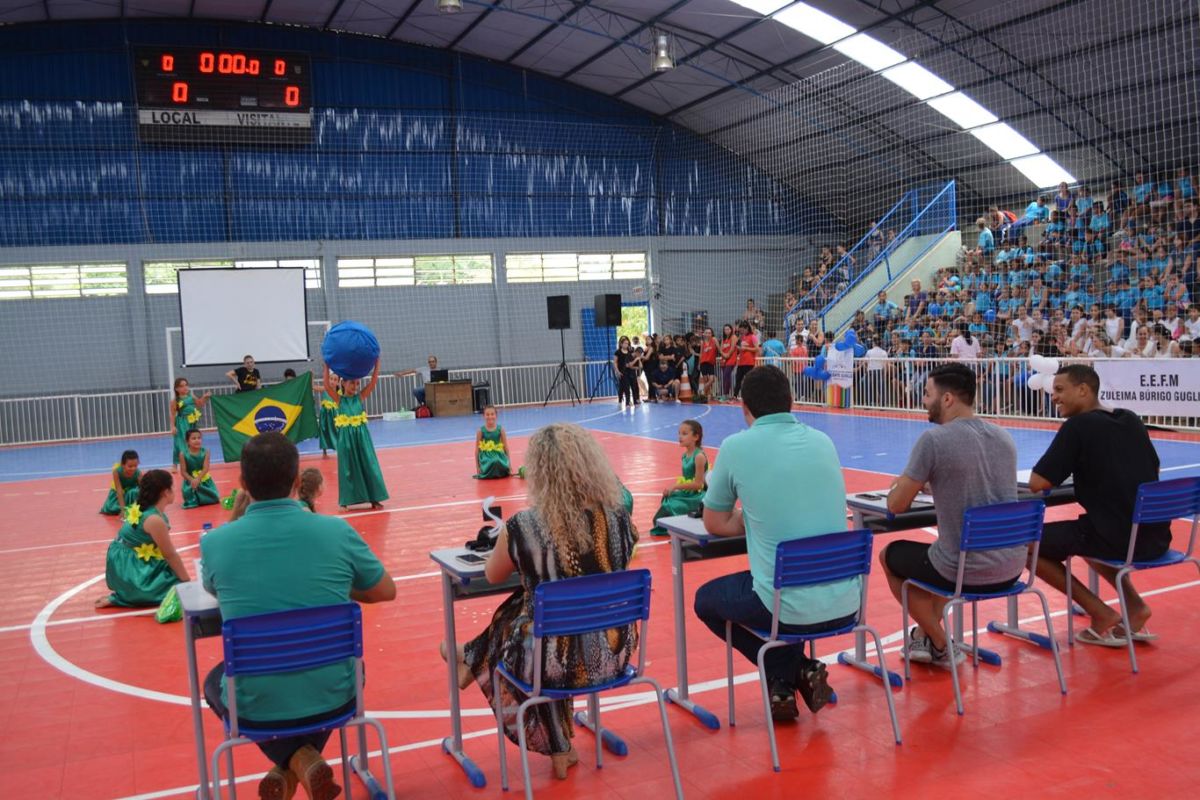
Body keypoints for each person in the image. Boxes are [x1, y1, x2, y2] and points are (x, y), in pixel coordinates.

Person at [201, 433, 396, 800]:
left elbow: (216, 591)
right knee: (338, 670)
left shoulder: (216, 543)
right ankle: (303, 759)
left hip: (256, 706)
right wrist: (337, 586)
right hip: (336, 695)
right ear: (296, 481)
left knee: (216, 679)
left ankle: (290, 763)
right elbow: (385, 590)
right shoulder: (336, 531)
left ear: (242, 484)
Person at [446, 423, 638, 780]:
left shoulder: (525, 525)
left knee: (526, 628)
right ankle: (469, 658)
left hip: (558, 661)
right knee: (533, 611)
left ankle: (472, 658)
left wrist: (508, 540)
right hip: (616, 652)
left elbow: (492, 575)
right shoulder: (620, 520)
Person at [694, 366, 852, 720]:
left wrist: (752, 519)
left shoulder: (737, 446)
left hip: (788, 603)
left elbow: (715, 521)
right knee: (782, 589)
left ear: (744, 408)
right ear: (791, 402)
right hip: (846, 600)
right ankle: (789, 675)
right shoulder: (823, 440)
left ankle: (787, 670)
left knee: (707, 601)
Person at [881, 363, 1023, 669]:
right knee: (940, 555)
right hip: (1012, 566)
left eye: (927, 393)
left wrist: (906, 481)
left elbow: (895, 505)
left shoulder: (934, 440)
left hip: (966, 570)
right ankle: (923, 634)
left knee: (890, 556)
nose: (923, 401)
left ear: (947, 399)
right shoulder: (1004, 436)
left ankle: (942, 643)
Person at [1028, 365, 1171, 645]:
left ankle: (1100, 612)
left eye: (1059, 390)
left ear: (1083, 390)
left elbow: (1038, 482)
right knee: (1088, 531)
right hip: (1155, 537)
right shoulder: (1129, 418)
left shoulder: (1078, 426)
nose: (1053, 397)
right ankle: (1134, 606)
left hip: (1117, 538)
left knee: (1027, 546)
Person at [96, 470, 189, 608]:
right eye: (172, 487)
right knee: (177, 586)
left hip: (122, 558)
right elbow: (170, 554)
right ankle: (128, 594)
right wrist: (187, 581)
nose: (174, 490)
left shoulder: (144, 509)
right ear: (165, 492)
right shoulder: (154, 519)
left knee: (170, 574)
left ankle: (127, 591)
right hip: (127, 566)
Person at [325, 362, 389, 509]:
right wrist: (327, 366)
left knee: (369, 465)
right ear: (343, 383)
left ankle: (374, 498)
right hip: (345, 440)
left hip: (362, 439)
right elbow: (327, 386)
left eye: (357, 383)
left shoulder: (359, 397)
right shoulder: (339, 400)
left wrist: (377, 364)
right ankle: (346, 500)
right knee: (347, 468)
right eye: (352, 383)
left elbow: (373, 382)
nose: (355, 386)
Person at [649, 420, 708, 536]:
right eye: (679, 433)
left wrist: (675, 486)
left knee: (671, 504)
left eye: (684, 434)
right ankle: (670, 526)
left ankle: (680, 528)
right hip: (688, 493)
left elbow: (698, 484)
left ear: (696, 437)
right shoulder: (684, 456)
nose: (680, 436)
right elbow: (687, 480)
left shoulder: (699, 456)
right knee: (668, 498)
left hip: (698, 495)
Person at [170, 378, 211, 469]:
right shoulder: (175, 401)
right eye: (181, 386)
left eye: (186, 385)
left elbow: (199, 404)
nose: (185, 387)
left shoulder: (191, 397)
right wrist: (173, 426)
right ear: (177, 389)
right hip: (182, 423)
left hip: (192, 422)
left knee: (192, 441)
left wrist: (205, 397)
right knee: (180, 442)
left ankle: (190, 462)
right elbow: (172, 414)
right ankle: (175, 464)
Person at [179, 429, 219, 509]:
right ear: (187, 441)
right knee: (192, 501)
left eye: (199, 438)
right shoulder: (183, 454)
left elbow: (205, 468)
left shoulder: (206, 451)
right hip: (190, 481)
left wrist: (198, 479)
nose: (197, 440)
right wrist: (192, 480)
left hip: (203, 479)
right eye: (193, 438)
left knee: (214, 498)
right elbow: (183, 472)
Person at [475, 405, 511, 479]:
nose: (490, 416)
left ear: (496, 415)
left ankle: (501, 471)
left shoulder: (500, 429)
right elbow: (477, 450)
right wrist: (477, 466)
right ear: (483, 416)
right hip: (486, 456)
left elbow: (506, 447)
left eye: (492, 414)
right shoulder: (481, 431)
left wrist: (509, 464)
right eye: (487, 414)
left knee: (497, 461)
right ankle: (487, 471)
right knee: (494, 461)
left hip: (499, 455)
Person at [99, 450, 140, 516]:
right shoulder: (117, 472)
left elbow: (144, 489)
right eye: (130, 466)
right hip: (119, 494)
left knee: (134, 492)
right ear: (123, 465)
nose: (133, 468)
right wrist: (123, 510)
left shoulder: (138, 473)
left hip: (131, 495)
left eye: (135, 466)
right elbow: (119, 490)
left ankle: (132, 507)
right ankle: (125, 507)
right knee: (111, 509)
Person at [733, 320, 760, 397]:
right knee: (738, 379)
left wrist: (746, 349)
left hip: (749, 362)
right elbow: (742, 348)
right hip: (741, 362)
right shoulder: (742, 337)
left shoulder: (753, 337)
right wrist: (739, 348)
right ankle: (735, 395)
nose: (741, 332)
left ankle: (752, 396)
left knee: (750, 380)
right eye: (740, 330)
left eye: (742, 330)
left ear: (747, 328)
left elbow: (757, 349)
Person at [613, 336, 640, 407]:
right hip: (623, 372)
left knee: (634, 387)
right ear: (621, 344)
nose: (626, 345)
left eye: (627, 343)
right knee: (625, 388)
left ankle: (635, 401)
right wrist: (617, 371)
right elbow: (615, 362)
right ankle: (627, 402)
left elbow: (635, 360)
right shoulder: (617, 352)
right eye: (625, 343)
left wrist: (635, 366)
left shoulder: (631, 351)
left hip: (631, 371)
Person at [317, 372, 339, 457]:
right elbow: (313, 387)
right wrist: (311, 377)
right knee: (324, 430)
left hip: (333, 415)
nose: (332, 381)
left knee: (336, 430)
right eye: (331, 379)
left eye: (335, 380)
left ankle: (338, 448)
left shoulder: (338, 393)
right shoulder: (325, 389)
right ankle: (324, 451)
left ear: (338, 382)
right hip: (324, 415)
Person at [719, 323, 738, 399]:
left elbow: (732, 349)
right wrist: (723, 356)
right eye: (725, 329)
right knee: (725, 377)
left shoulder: (733, 337)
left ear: (731, 330)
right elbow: (720, 350)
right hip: (724, 359)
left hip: (731, 359)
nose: (726, 331)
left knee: (726, 376)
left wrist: (727, 355)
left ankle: (726, 394)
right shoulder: (723, 339)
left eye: (728, 329)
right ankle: (727, 394)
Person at [698, 327, 718, 398]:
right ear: (704, 334)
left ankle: (702, 391)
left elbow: (718, 348)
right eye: (706, 333)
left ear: (712, 334)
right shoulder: (702, 342)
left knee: (712, 380)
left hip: (711, 363)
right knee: (706, 380)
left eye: (709, 333)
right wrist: (699, 363)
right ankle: (708, 395)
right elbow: (701, 353)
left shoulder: (714, 340)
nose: (707, 334)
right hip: (703, 363)